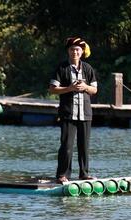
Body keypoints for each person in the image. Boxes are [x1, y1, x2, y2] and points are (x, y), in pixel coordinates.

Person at [49, 37, 98, 184]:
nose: (74, 52)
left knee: (84, 146)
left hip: (85, 113)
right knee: (66, 146)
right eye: (72, 49)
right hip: (67, 112)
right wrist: (70, 88)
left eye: (77, 49)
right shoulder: (61, 68)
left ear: (82, 52)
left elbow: (94, 89)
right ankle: (62, 175)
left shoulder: (88, 69)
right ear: (68, 51)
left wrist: (85, 88)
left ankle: (84, 174)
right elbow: (52, 89)